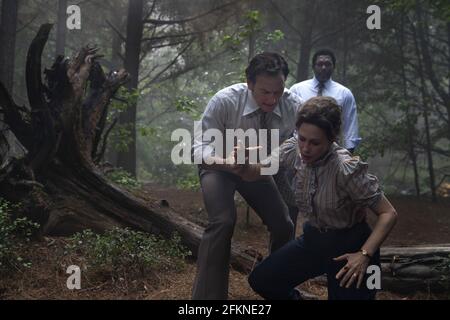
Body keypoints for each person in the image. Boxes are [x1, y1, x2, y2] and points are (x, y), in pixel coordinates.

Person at [245, 96, 398, 300]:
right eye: (302, 138)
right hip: (314, 240)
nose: (306, 148)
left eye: (315, 142)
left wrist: (364, 255)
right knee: (262, 280)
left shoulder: (345, 168)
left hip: (352, 247)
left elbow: (389, 213)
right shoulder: (294, 149)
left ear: (332, 139)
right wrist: (243, 164)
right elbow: (260, 169)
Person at [191, 52, 303, 300]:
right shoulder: (225, 101)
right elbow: (197, 149)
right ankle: (208, 301)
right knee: (223, 220)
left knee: (284, 224)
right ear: (249, 83)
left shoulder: (293, 105)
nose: (272, 99)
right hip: (218, 167)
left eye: (278, 91)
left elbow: (299, 144)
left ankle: (276, 288)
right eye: (265, 92)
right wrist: (227, 162)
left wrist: (265, 163)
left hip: (258, 169)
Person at [290, 49, 361, 153]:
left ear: (334, 67)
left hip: (332, 151)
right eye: (320, 64)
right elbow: (289, 122)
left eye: (328, 64)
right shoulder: (297, 90)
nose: (323, 68)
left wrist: (347, 155)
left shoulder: (344, 93)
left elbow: (350, 127)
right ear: (313, 67)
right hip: (300, 149)